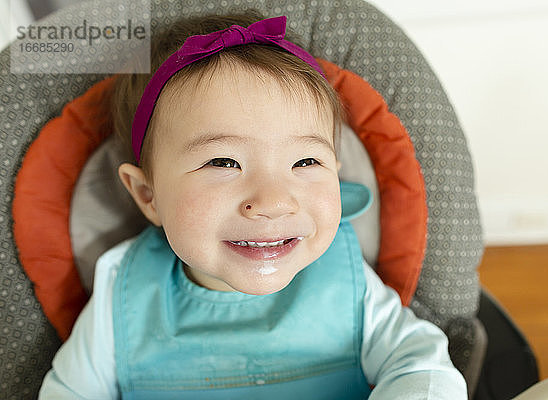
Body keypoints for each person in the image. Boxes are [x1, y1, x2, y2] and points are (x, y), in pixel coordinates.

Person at [39, 11, 467, 399]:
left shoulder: (346, 279)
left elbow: (423, 364)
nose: (273, 202)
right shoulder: (124, 290)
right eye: (223, 162)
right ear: (148, 195)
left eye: (305, 161)